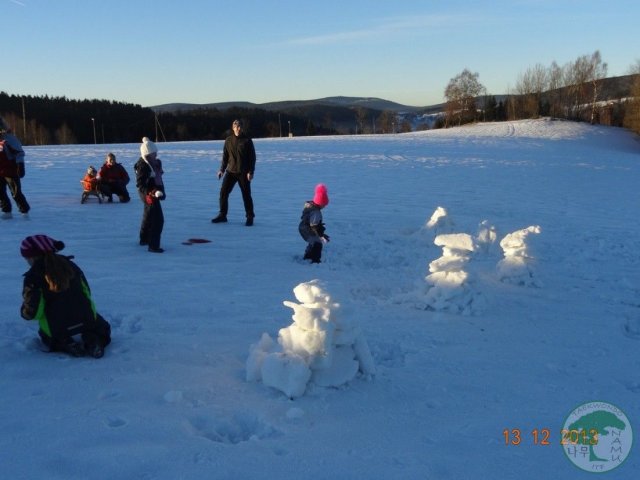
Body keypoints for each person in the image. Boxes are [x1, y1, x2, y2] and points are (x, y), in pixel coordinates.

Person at [20, 234, 112, 358]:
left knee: (47, 335)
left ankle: (64, 343)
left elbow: (33, 312)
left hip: (57, 326)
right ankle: (94, 340)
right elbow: (86, 292)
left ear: (32, 258)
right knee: (101, 328)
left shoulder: (33, 278)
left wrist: (25, 312)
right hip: (85, 318)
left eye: (27, 258)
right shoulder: (71, 266)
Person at [211, 119, 256, 226]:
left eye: (240, 126)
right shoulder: (228, 140)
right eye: (236, 126)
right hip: (230, 172)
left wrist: (251, 171)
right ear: (233, 128)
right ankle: (223, 215)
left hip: (243, 172)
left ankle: (250, 216)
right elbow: (225, 157)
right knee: (223, 192)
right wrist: (221, 169)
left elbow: (252, 158)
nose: (239, 128)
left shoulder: (247, 140)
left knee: (246, 195)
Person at [134, 137, 166, 253]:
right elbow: (140, 185)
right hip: (148, 194)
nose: (156, 154)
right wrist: (151, 193)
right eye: (153, 153)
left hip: (152, 192)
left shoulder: (153, 163)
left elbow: (157, 177)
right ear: (147, 154)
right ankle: (153, 245)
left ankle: (144, 239)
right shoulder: (143, 166)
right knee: (158, 219)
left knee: (148, 215)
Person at [0, 117, 30, 219]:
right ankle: (7, 211)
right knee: (1, 193)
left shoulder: (9, 138)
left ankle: (24, 211)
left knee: (16, 193)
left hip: (10, 171)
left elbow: (19, 153)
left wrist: (20, 165)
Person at [298, 184, 330, 263]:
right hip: (307, 230)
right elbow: (314, 226)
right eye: (324, 205)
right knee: (317, 244)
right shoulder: (316, 212)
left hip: (304, 228)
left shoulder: (312, 207)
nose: (325, 206)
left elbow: (314, 225)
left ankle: (308, 257)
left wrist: (321, 233)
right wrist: (321, 235)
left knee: (314, 242)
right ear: (321, 203)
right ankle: (314, 260)